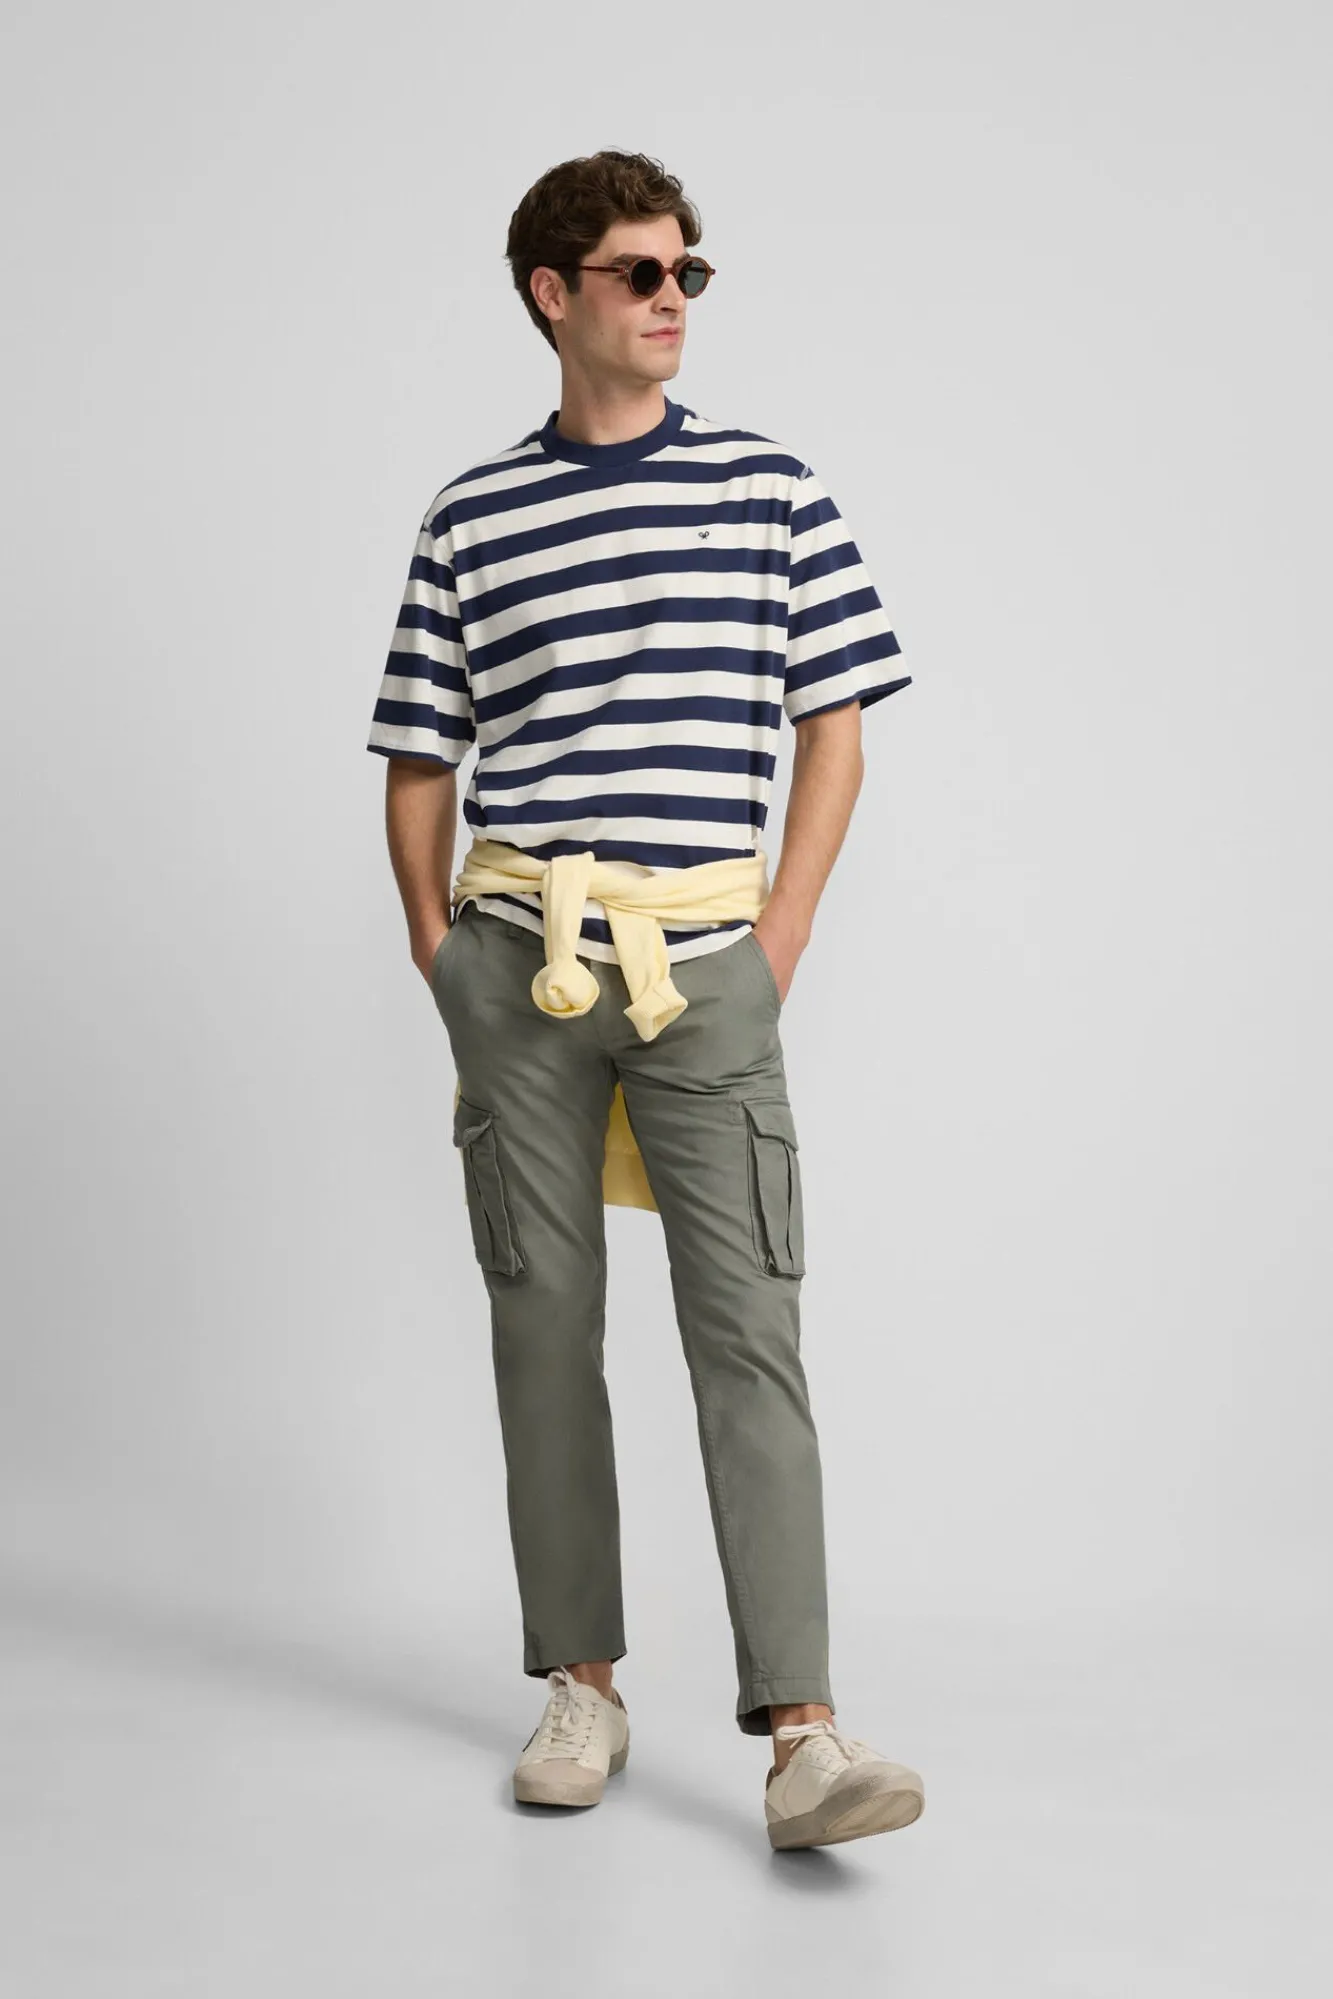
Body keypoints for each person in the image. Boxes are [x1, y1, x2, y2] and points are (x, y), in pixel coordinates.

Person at [366, 148, 925, 1852]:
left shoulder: (771, 489)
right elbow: (419, 751)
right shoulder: (471, 514)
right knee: (542, 1325)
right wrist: (441, 955)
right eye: (639, 271)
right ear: (555, 294)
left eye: (689, 270)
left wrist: (781, 935)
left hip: (705, 965)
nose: (674, 296)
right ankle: (581, 1684)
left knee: (748, 1329)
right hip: (519, 961)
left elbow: (835, 723)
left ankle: (804, 1737)